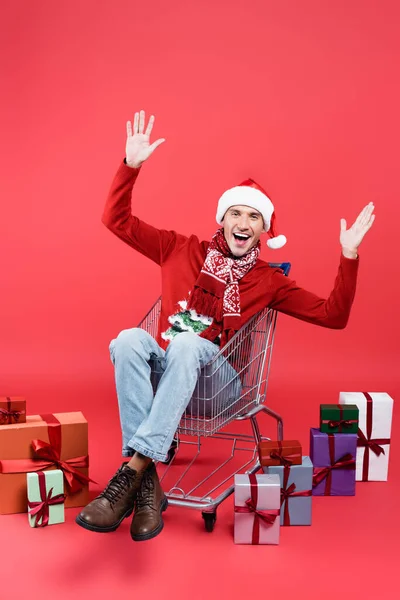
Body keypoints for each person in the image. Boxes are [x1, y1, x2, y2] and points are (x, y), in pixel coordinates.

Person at [75, 110, 375, 541]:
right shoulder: (179, 249)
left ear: (263, 230)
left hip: (221, 388)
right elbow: (115, 221)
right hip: (171, 381)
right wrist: (131, 165)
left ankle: (132, 471)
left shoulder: (269, 280)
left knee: (188, 346)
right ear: (221, 220)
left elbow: (333, 315)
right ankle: (146, 491)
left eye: (253, 218)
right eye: (235, 213)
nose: (242, 223)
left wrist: (348, 255)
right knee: (128, 341)